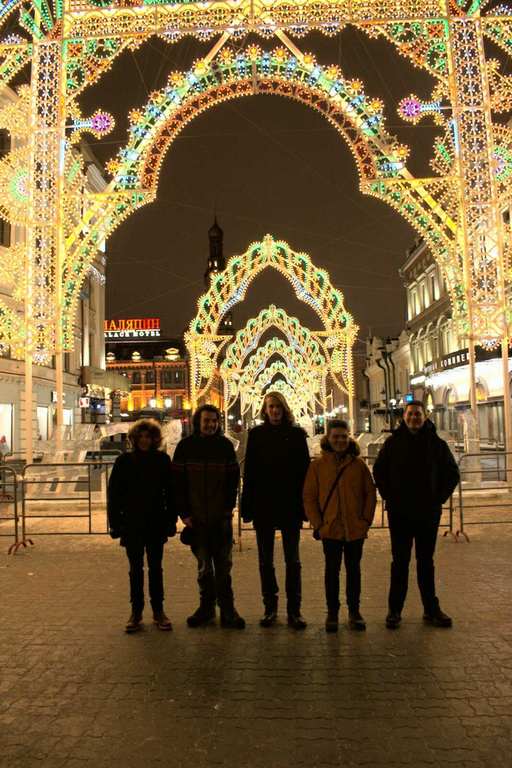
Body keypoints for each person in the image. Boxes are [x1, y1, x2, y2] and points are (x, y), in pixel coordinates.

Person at [373, 400, 460, 629]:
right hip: (400, 514)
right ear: (404, 416)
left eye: (418, 414)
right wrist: (390, 496)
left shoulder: (436, 444)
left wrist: (438, 498)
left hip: (427, 514)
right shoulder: (393, 443)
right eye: (410, 414)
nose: (414, 418)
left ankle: (431, 609)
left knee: (425, 562)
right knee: (400, 562)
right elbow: (379, 471)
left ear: (425, 416)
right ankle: (394, 610)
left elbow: (452, 473)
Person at [241, 392, 310, 629]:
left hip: (290, 505)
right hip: (264, 505)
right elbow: (250, 473)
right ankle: (270, 607)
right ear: (265, 409)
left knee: (293, 560)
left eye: (278, 406)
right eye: (271, 407)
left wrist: (305, 507)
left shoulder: (297, 435)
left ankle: (294, 610)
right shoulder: (256, 435)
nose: (274, 411)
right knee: (265, 560)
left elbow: (305, 472)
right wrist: (247, 506)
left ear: (284, 409)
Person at [172, 404, 245, 629]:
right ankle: (206, 608)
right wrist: (184, 513)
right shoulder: (185, 447)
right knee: (204, 567)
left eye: (214, 421)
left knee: (223, 567)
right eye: (207, 421)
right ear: (198, 422)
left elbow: (233, 481)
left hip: (220, 517)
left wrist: (227, 509)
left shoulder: (224, 446)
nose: (211, 425)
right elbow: (177, 484)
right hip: (196, 518)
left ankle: (228, 609)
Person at [303, 420, 376, 633]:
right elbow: (309, 497)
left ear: (349, 438)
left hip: (355, 528)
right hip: (331, 528)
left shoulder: (358, 465)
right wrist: (319, 524)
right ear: (328, 438)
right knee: (332, 571)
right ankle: (332, 612)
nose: (340, 440)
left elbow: (370, 493)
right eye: (336, 436)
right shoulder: (317, 466)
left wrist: (365, 521)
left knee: (354, 571)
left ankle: (354, 611)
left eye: (344, 436)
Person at [107, 419, 176, 633]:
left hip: (155, 522)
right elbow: (114, 494)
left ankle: (158, 610)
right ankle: (136, 611)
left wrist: (170, 520)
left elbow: (170, 493)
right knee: (135, 570)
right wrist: (115, 523)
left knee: (156, 568)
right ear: (134, 439)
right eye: (141, 436)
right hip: (132, 523)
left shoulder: (162, 460)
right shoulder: (124, 461)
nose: (144, 440)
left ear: (154, 439)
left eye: (148, 436)